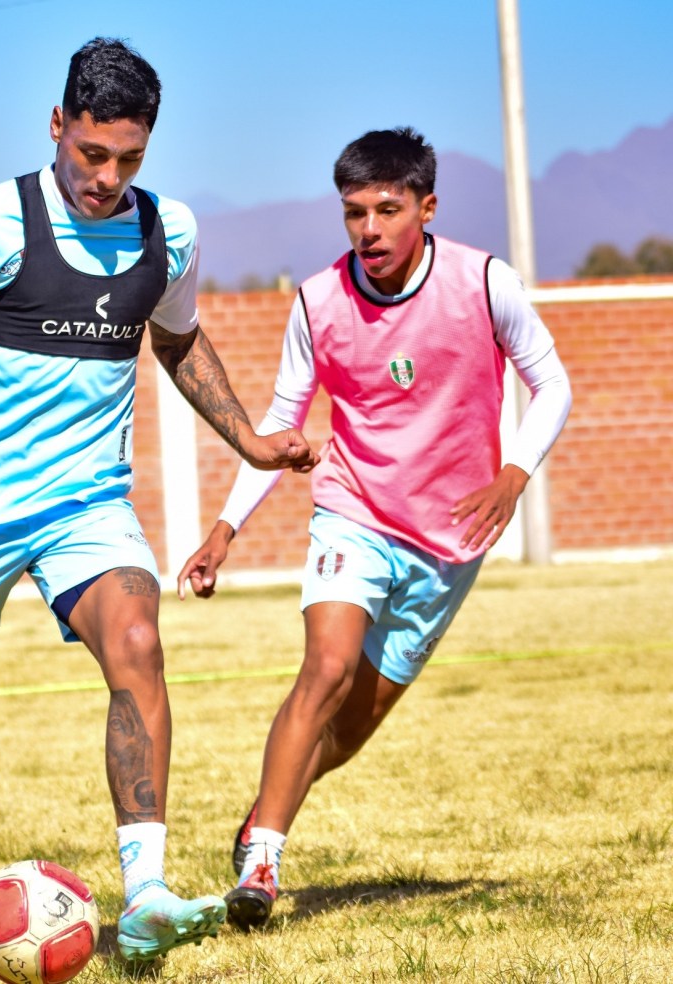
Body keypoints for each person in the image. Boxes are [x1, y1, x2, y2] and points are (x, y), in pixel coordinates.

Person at [0, 37, 317, 964]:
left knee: (138, 641)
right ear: (58, 126)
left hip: (85, 504)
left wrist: (251, 438)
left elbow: (176, 340)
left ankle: (145, 897)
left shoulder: (167, 231)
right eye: (92, 153)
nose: (106, 177)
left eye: (128, 158)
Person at [178, 127, 572, 932]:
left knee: (353, 726)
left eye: (388, 210)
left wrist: (514, 471)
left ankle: (261, 816)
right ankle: (263, 866)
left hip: (449, 544)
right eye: (355, 212)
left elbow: (553, 383)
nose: (370, 229)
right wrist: (225, 529)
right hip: (352, 512)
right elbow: (280, 425)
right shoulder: (319, 303)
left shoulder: (485, 282)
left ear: (426, 207)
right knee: (325, 668)